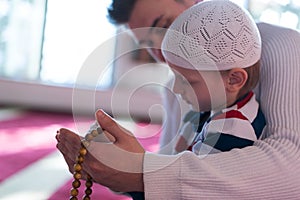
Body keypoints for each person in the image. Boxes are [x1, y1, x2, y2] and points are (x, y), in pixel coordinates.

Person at [56, 0, 300, 199]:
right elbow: (169, 165)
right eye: (147, 43)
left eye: (164, 25)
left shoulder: (282, 45)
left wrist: (140, 172)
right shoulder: (177, 88)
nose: (161, 50)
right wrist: (113, 168)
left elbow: (293, 165)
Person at [161, 0, 265, 155]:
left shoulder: (232, 129)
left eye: (188, 81)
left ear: (233, 80)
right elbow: (175, 154)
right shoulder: (205, 110)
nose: (176, 89)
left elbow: (185, 175)